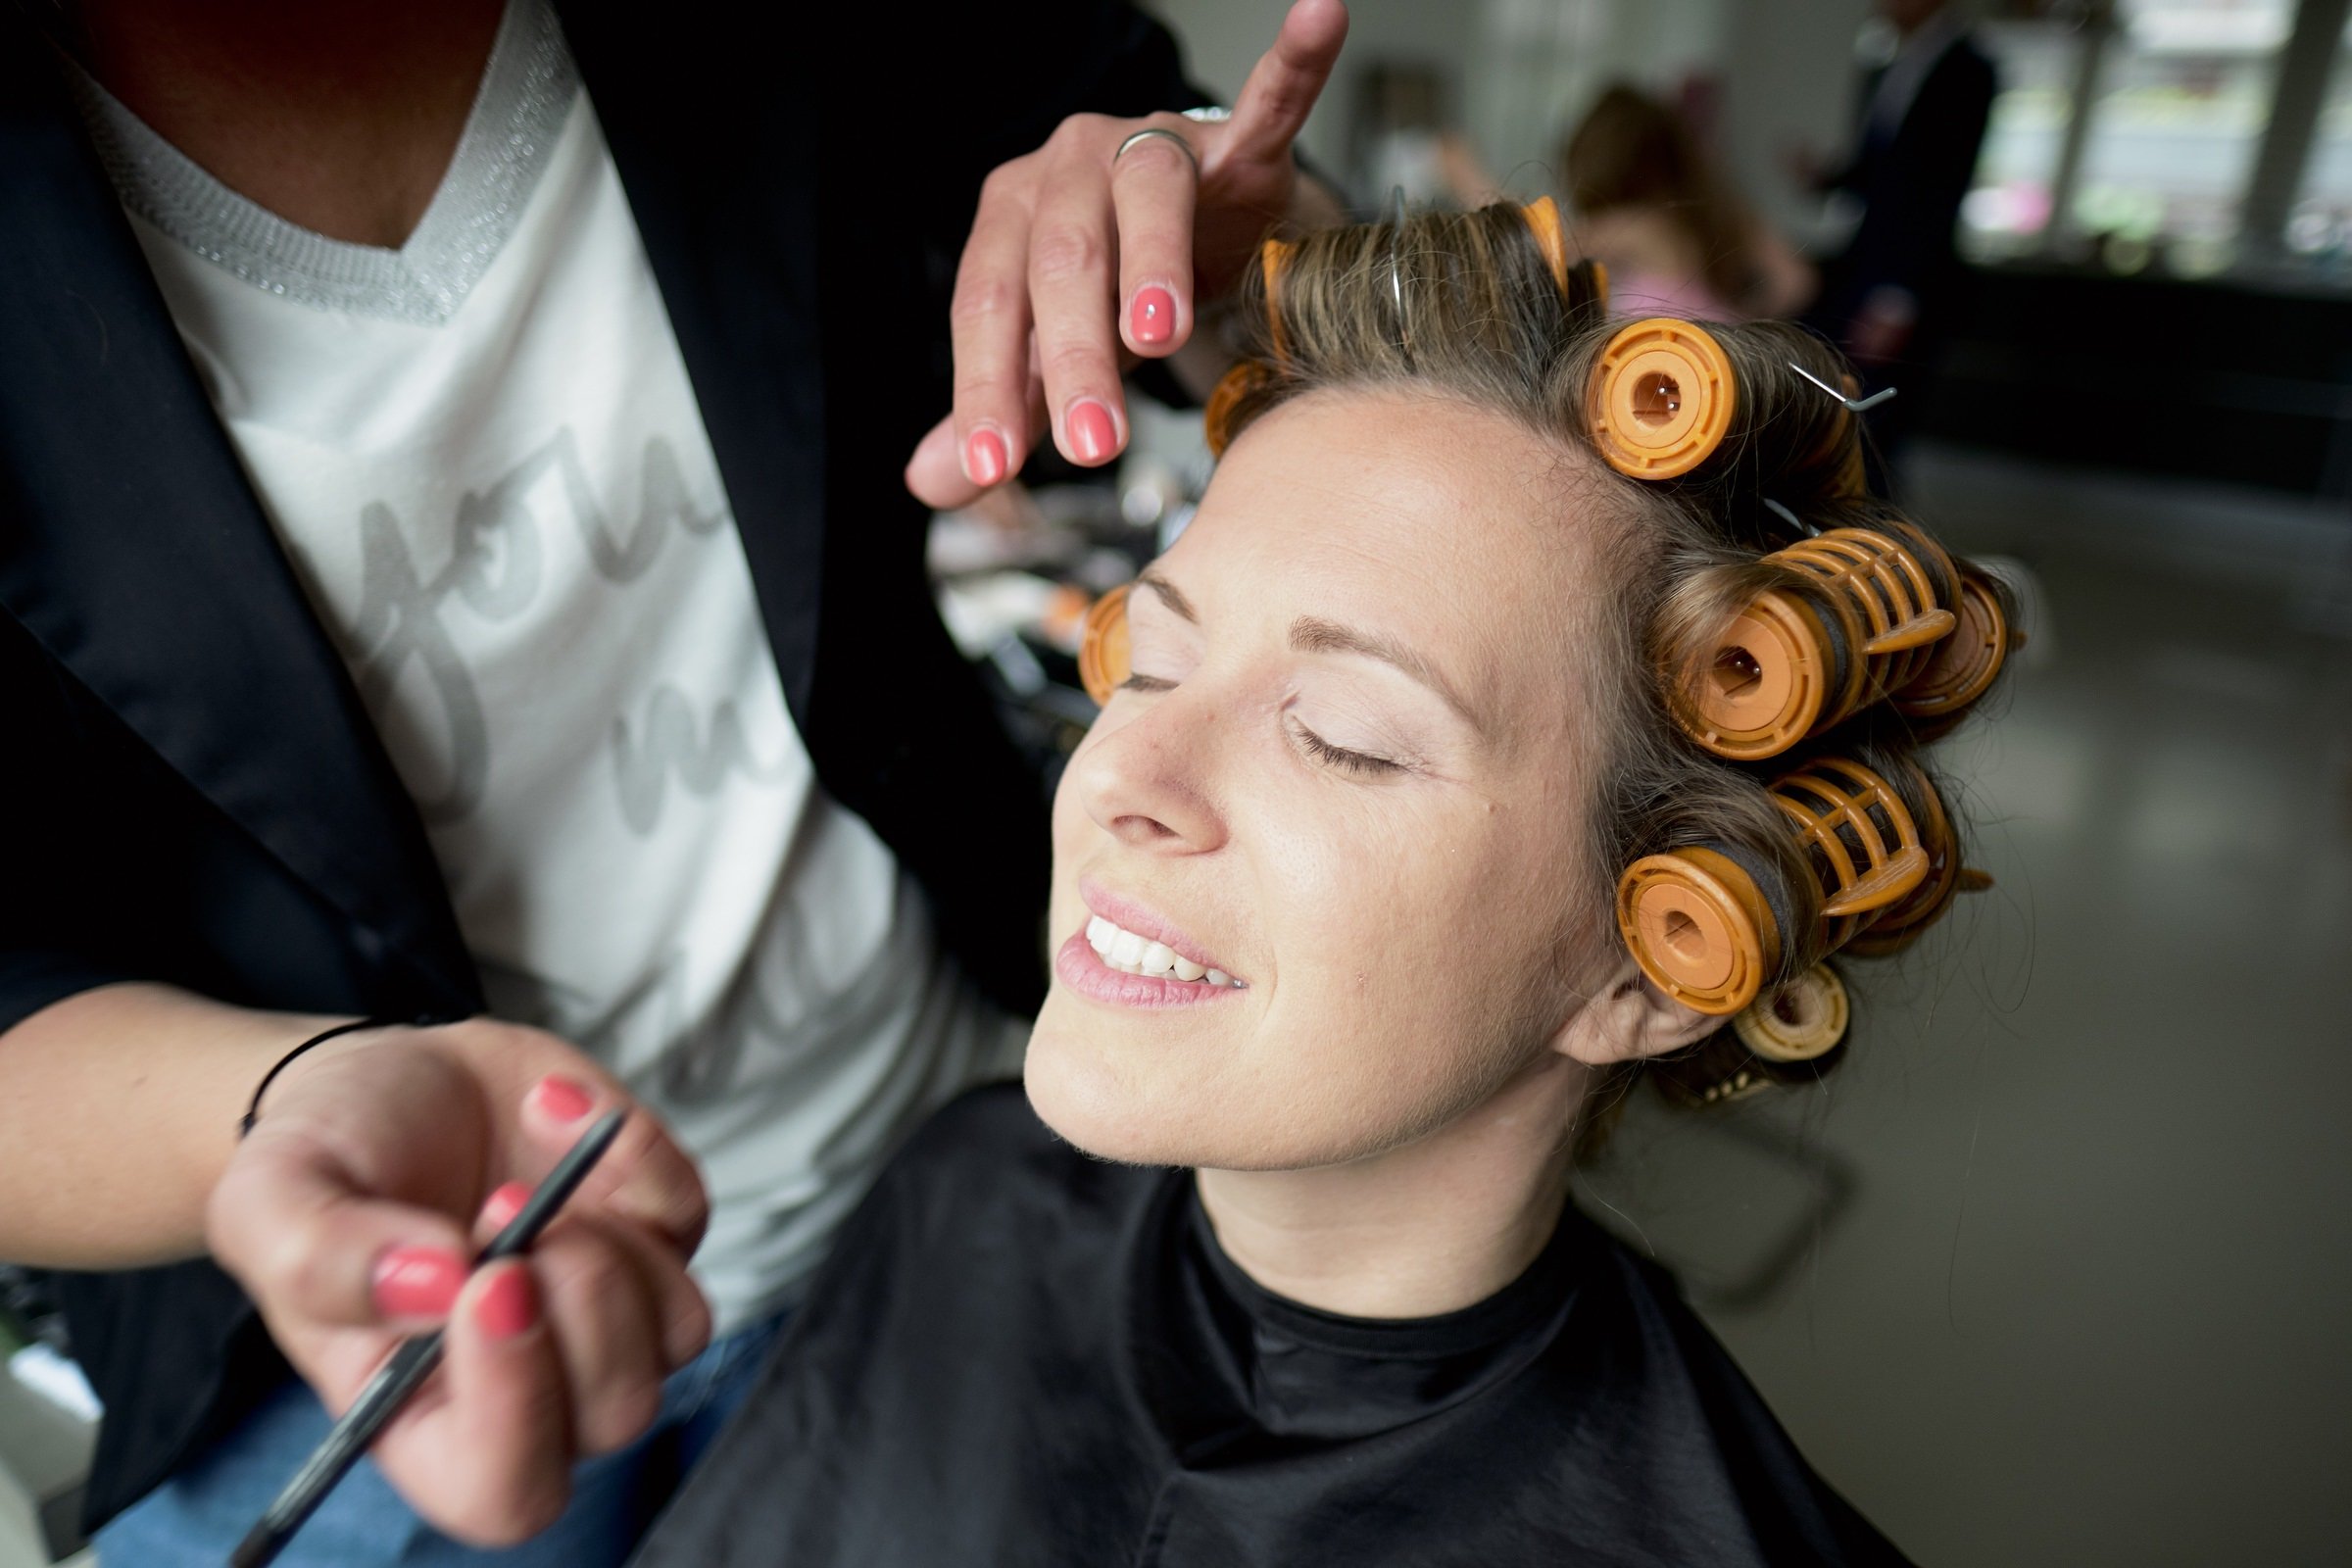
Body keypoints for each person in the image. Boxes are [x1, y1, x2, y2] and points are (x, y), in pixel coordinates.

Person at [0, 0, 1347, 1561]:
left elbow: (1206, 195)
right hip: (362, 1341)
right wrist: (281, 1115)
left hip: (943, 1140)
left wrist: (1224, 241)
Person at [628, 204, 2011, 1566]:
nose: (1122, 777)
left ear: (1650, 964)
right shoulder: (961, 1193)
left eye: (1342, 736)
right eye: (1150, 668)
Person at [1794, 0, 1996, 447]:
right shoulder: (1887, 67)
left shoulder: (1969, 71)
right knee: (1834, 413)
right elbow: (1884, 176)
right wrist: (1826, 179)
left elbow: (1940, 189)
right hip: (1862, 261)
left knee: (1875, 426)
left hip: (1902, 276)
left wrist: (1897, 296)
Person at [1563, 82, 1815, 321]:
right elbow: (1796, 281)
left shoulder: (1639, 229)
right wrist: (1739, 324)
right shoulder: (1722, 210)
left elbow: (1548, 249)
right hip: (1717, 356)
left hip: (1667, 361)